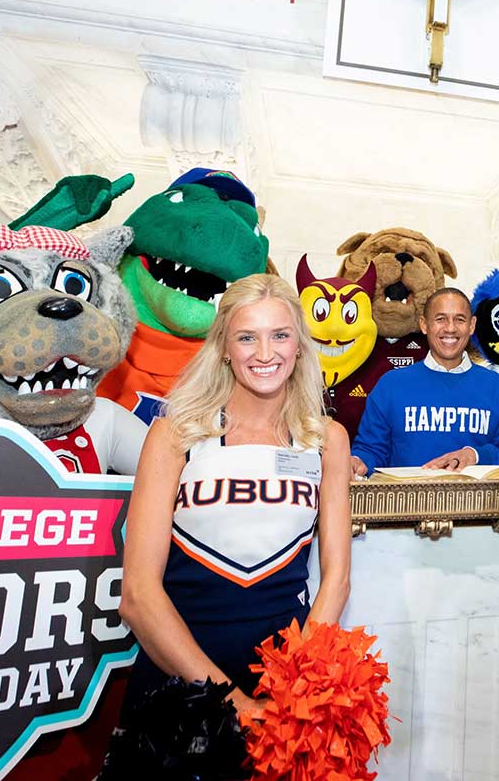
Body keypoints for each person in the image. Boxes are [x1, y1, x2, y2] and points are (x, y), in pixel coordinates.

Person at [118, 274, 352, 719]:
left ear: (299, 345)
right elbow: (137, 594)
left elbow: (336, 578)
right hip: (179, 677)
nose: (265, 354)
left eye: (280, 335)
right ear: (224, 348)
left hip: (284, 683)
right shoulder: (175, 434)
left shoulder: (326, 440)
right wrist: (235, 704)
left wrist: (296, 684)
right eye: (247, 337)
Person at [349, 287, 499, 475]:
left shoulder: (497, 387)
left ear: (472, 325)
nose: (450, 328)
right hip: (408, 502)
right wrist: (358, 462)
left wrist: (475, 455)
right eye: (440, 319)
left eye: (459, 319)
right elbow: (370, 451)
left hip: (475, 503)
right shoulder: (390, 386)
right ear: (424, 325)